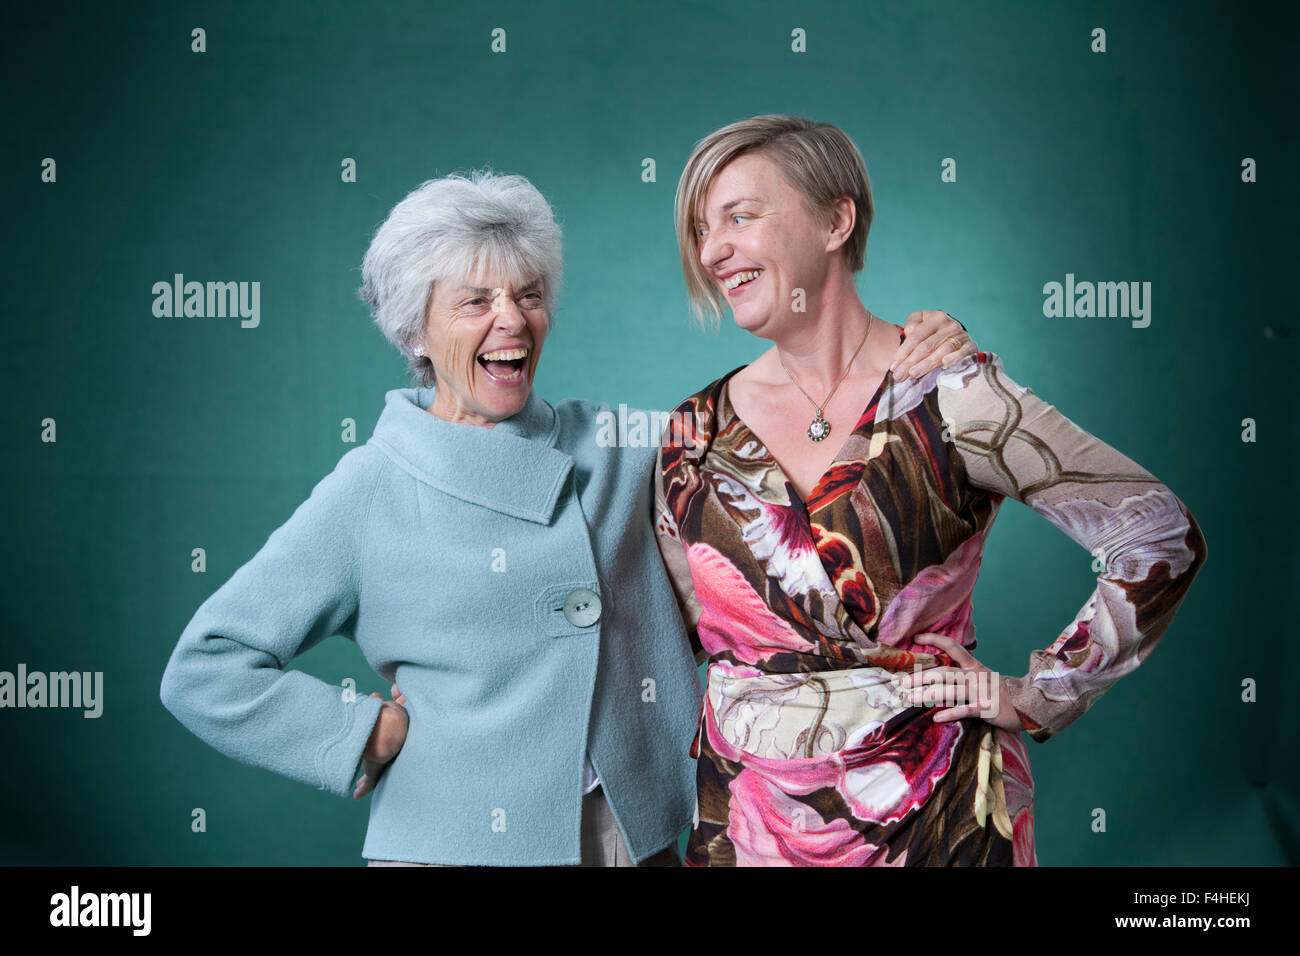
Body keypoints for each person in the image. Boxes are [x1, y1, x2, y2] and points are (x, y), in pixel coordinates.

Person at [158, 169, 974, 866]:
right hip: (451, 846)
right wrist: (359, 733)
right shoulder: (370, 486)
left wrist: (904, 351)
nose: (510, 319)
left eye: (529, 295)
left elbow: (787, 428)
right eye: (474, 300)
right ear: (416, 327)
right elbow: (207, 667)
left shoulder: (628, 444)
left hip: (645, 838)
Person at [653, 115, 1208, 866]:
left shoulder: (952, 395)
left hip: (942, 819)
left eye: (740, 217)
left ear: (835, 221)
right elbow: (663, 635)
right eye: (700, 229)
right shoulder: (693, 436)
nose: (712, 251)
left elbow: (1157, 535)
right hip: (749, 828)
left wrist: (1039, 694)